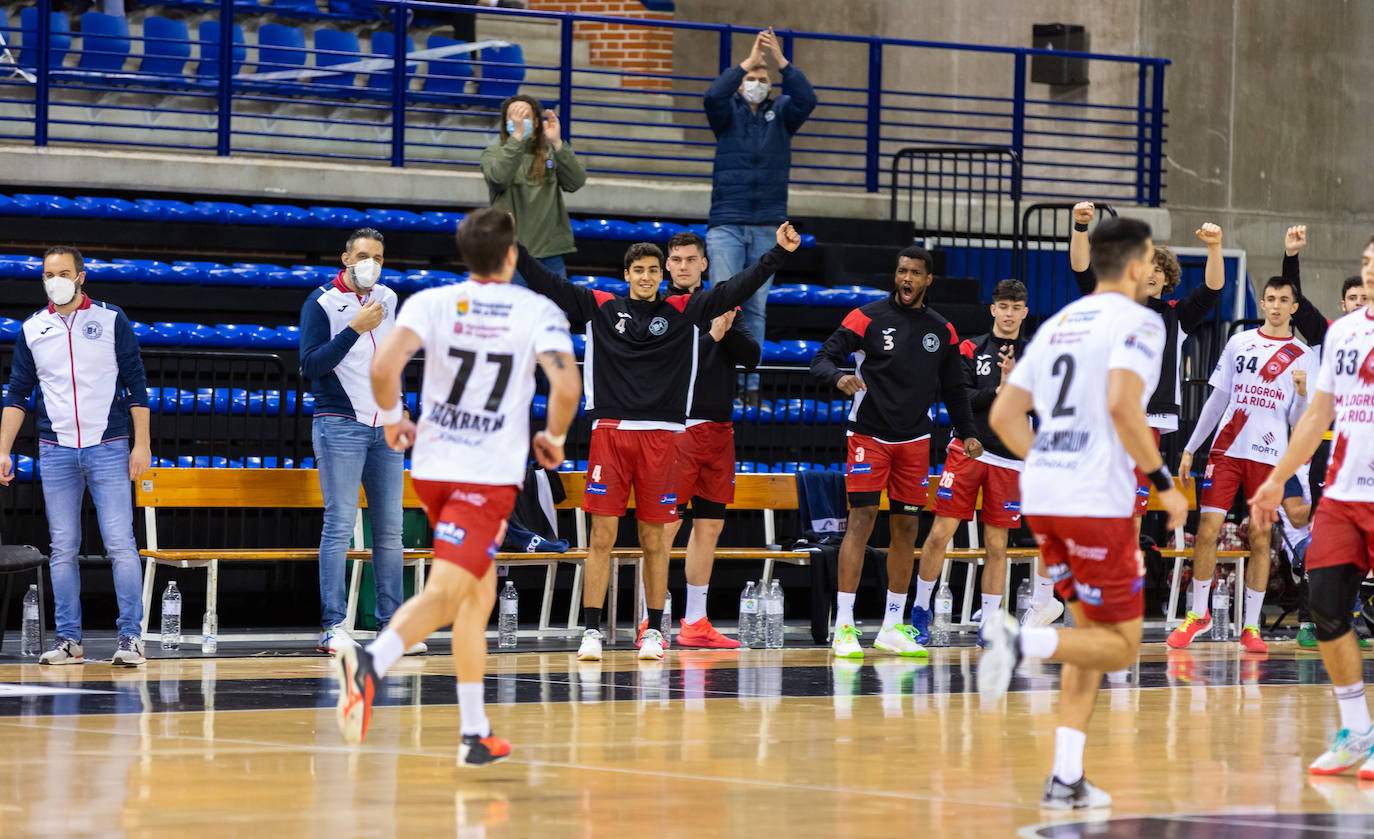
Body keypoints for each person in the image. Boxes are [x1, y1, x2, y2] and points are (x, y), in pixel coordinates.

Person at [335, 207, 579, 767]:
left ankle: (475, 732)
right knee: (449, 591)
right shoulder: (536, 309)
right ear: (513, 255)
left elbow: (383, 367)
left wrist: (395, 416)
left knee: (478, 593)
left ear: (465, 255)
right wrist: (557, 436)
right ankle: (371, 663)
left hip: (433, 467)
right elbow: (567, 384)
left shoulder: (431, 301)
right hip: (485, 475)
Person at [520, 222, 801, 661]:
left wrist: (777, 255)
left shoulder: (686, 309)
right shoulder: (600, 305)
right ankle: (591, 632)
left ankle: (654, 631)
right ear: (627, 274)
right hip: (611, 434)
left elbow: (736, 287)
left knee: (655, 540)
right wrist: (513, 246)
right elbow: (547, 282)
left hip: (664, 438)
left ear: (659, 274)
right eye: (639, 270)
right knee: (602, 537)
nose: (647, 276)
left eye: (653, 269)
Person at [979, 217, 1187, 810]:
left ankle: (1066, 774)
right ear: (1133, 263)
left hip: (1043, 494)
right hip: (1095, 500)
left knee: (1089, 637)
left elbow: (1003, 416)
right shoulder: (1143, 322)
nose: (1153, 269)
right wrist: (1164, 483)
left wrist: (1048, 461)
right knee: (1121, 647)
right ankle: (1018, 642)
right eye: (1149, 258)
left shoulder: (1057, 325)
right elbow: (1124, 405)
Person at [811, 245, 981, 659]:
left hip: (914, 442)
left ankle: (891, 625)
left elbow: (955, 390)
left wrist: (969, 432)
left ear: (928, 280)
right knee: (861, 522)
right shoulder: (866, 317)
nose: (907, 279)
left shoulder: (942, 330)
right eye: (902, 271)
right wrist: (838, 377)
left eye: (915, 273)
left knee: (906, 529)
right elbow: (821, 359)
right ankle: (845, 626)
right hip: (868, 436)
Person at [1248, 261, 1374, 780]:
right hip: (1345, 493)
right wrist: (1278, 478)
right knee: (1324, 608)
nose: (1370, 270)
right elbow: (1318, 416)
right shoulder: (1344, 332)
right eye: (1366, 262)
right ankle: (1357, 732)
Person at [0, 246, 150, 666]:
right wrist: (3, 450)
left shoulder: (110, 318)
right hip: (56, 448)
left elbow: (136, 384)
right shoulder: (32, 328)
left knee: (121, 543)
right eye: (49, 273)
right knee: (63, 546)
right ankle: (69, 640)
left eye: (64, 271)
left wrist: (142, 445)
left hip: (108, 444)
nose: (56, 279)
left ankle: (131, 638)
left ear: (81, 276)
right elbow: (17, 394)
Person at [1168, 274, 1319, 652]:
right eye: (1270, 298)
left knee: (1260, 537)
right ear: (1263, 303)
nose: (1276, 305)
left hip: (1270, 457)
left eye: (1284, 300)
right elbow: (1217, 399)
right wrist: (1190, 447)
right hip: (1228, 450)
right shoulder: (1240, 342)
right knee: (1207, 529)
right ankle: (1198, 614)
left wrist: (1301, 395)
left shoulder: (1304, 356)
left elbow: (1299, 423)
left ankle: (1251, 627)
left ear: (1294, 308)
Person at [1070, 204, 1226, 524]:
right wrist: (1080, 227)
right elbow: (1082, 270)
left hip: (1146, 424)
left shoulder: (1174, 316)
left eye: (1159, 269)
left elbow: (1212, 289)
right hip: (1104, 419)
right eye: (1146, 266)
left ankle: (1126, 574)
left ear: (1168, 278)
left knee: (1132, 512)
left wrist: (1214, 248)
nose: (1152, 273)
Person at [299, 228, 413, 656]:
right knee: (340, 524)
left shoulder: (389, 298)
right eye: (363, 255)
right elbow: (311, 365)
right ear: (345, 258)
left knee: (390, 531)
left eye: (379, 256)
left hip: (387, 426)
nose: (372, 263)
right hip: (340, 423)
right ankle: (333, 626)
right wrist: (352, 329)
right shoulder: (322, 302)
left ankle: (392, 629)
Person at [658, 231, 761, 649]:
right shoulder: (660, 308)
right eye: (676, 259)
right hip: (678, 430)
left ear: (704, 263)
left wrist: (727, 326)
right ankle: (653, 620)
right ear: (667, 266)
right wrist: (714, 334)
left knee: (711, 526)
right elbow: (673, 363)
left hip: (719, 431)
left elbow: (752, 356)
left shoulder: (722, 303)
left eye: (690, 259)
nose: (683, 266)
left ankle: (695, 621)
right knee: (665, 529)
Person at [914, 279, 1031, 643]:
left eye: (1016, 307)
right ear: (993, 309)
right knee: (939, 536)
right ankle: (920, 611)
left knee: (997, 547)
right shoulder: (969, 347)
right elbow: (958, 398)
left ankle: (991, 624)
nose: (1009, 313)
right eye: (1004, 306)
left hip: (1010, 460)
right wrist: (997, 391)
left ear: (1024, 312)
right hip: (968, 450)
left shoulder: (1034, 354)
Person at [704, 27, 816, 406]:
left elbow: (807, 98)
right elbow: (712, 95)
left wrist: (781, 62)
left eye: (761, 78)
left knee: (755, 307)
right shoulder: (725, 114)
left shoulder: (783, 113)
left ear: (772, 84)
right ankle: (719, 381)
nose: (755, 82)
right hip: (727, 222)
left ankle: (750, 389)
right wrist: (746, 63)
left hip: (769, 222)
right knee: (721, 303)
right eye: (751, 78)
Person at [481, 95, 586, 283]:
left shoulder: (551, 153)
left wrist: (557, 143)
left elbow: (575, 182)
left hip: (550, 253)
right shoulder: (493, 154)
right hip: (510, 252)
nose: (519, 121)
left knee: (557, 310)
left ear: (537, 122)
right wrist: (517, 139)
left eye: (524, 116)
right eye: (513, 117)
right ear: (505, 123)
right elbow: (499, 178)